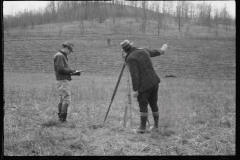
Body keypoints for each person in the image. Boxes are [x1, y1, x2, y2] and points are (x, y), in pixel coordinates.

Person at [120, 40, 168, 134]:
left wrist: (135, 90)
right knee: (153, 104)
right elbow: (155, 52)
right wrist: (162, 50)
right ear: (131, 46)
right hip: (154, 81)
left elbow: (135, 75)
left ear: (124, 50)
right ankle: (156, 126)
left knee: (143, 104)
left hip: (144, 86)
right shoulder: (143, 50)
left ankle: (142, 128)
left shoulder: (130, 58)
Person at [53, 41, 81, 122]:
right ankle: (63, 119)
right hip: (63, 81)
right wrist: (71, 71)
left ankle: (61, 119)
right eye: (70, 50)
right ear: (66, 48)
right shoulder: (60, 56)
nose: (69, 53)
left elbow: (63, 70)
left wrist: (73, 73)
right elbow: (60, 69)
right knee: (66, 99)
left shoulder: (61, 55)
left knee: (62, 99)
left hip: (62, 80)